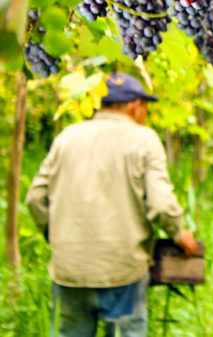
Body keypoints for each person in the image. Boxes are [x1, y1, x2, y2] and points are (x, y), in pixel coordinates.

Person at [25, 73, 198, 337]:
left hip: (70, 269)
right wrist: (178, 233)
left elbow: (35, 198)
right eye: (145, 107)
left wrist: (57, 237)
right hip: (122, 271)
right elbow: (161, 204)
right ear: (134, 105)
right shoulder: (143, 139)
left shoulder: (67, 137)